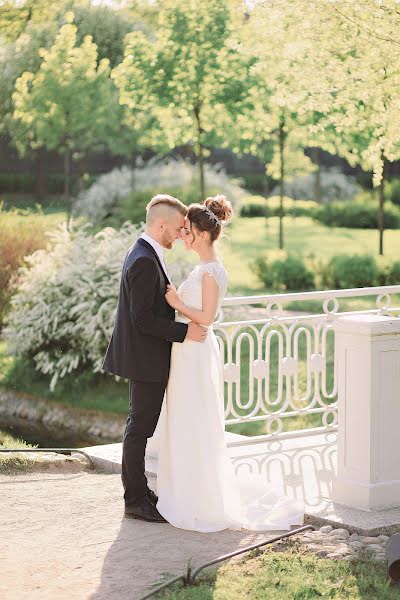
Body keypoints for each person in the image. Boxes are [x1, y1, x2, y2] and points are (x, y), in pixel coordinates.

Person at [156, 194, 304, 532]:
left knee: (193, 417)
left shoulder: (210, 272)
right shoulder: (204, 268)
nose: (183, 235)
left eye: (188, 231)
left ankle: (197, 496)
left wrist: (178, 303)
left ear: (204, 235)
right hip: (188, 350)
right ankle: (183, 488)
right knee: (184, 416)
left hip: (195, 350)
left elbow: (206, 318)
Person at [102, 194, 207, 523]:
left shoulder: (146, 251)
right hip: (145, 360)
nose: (180, 233)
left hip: (145, 358)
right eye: (177, 228)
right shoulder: (145, 259)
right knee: (139, 429)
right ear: (161, 224)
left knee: (139, 427)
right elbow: (143, 320)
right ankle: (135, 498)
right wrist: (184, 332)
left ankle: (140, 491)